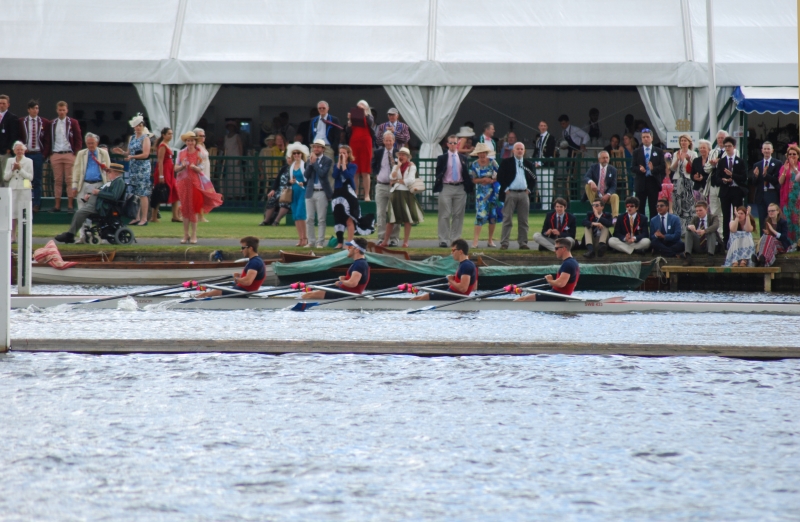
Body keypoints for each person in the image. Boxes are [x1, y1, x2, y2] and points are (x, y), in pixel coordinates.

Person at [54, 163, 126, 243]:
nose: (107, 173)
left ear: (115, 173)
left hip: (101, 207)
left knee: (80, 213)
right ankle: (72, 234)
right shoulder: (112, 182)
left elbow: (114, 196)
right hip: (94, 204)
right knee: (80, 213)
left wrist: (98, 193)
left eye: (109, 172)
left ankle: (70, 235)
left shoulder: (119, 182)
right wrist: (90, 195)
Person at [174, 131, 223, 244]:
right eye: (188, 140)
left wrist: (194, 167)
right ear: (185, 142)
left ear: (195, 142)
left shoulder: (199, 153)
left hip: (195, 183)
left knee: (194, 208)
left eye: (192, 140)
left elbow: (201, 168)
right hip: (183, 183)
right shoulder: (181, 153)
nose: (190, 142)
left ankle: (194, 235)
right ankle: (186, 235)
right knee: (185, 208)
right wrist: (182, 167)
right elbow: (175, 167)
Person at [332, 144, 375, 248]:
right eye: (340, 153)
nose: (342, 155)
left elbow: (348, 175)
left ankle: (350, 243)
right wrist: (339, 164)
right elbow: (334, 175)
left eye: (344, 153)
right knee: (338, 218)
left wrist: (344, 164)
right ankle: (339, 242)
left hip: (348, 193)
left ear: (348, 154)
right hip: (338, 193)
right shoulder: (336, 165)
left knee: (349, 219)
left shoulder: (353, 166)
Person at [434, 134, 473, 248]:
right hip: (446, 186)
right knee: (444, 214)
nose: (452, 145)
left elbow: (466, 174)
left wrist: (467, 186)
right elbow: (438, 173)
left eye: (455, 143)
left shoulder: (463, 158)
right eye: (450, 143)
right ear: (447, 144)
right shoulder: (442, 158)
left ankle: (455, 239)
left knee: (458, 215)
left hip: (460, 187)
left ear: (458, 144)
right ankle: (443, 239)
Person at [113, 114, 152, 226]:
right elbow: (129, 153)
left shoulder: (146, 138)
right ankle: (137, 216)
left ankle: (144, 218)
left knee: (143, 193)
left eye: (140, 125)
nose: (138, 127)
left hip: (142, 168)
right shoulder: (132, 138)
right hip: (134, 167)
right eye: (136, 126)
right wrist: (122, 152)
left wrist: (132, 157)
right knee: (135, 193)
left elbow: (145, 154)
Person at [70, 133, 111, 241]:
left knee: (96, 211)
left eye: (92, 143)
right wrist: (74, 186)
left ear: (97, 143)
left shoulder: (103, 153)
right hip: (84, 184)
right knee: (81, 211)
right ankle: (83, 236)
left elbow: (108, 170)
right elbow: (77, 170)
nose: (90, 145)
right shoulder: (81, 154)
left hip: (98, 184)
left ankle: (98, 235)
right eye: (88, 143)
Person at [43, 101, 82, 213]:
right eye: (60, 110)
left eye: (63, 110)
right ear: (57, 110)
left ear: (67, 110)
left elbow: (78, 139)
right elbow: (48, 139)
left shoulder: (72, 122)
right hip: (56, 153)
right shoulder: (52, 123)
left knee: (69, 180)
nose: (61, 112)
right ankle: (57, 205)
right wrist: (50, 153)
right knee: (58, 180)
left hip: (69, 152)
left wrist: (75, 153)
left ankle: (70, 205)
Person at [195, 237, 266, 297]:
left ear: (250, 248)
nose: (241, 250)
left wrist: (237, 278)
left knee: (215, 291)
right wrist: (240, 277)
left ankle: (195, 300)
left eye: (243, 248)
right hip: (241, 290)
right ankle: (198, 296)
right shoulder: (255, 261)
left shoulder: (255, 262)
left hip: (244, 292)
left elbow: (248, 282)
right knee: (211, 290)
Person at [301, 238, 371, 300]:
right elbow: (353, 280)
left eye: (350, 247)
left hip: (348, 294)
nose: (347, 249)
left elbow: (352, 283)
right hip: (345, 291)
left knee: (308, 295)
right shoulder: (359, 263)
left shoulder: (359, 264)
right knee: (310, 293)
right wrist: (345, 278)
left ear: (357, 250)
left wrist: (341, 282)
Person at [381, 147, 424, 248]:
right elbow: (391, 177)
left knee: (407, 219)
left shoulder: (411, 167)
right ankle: (385, 241)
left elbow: (410, 180)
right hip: (395, 193)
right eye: (400, 154)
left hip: (406, 193)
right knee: (391, 219)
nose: (401, 156)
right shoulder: (396, 166)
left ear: (408, 157)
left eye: (403, 155)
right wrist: (397, 167)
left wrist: (398, 181)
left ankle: (405, 242)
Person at [497, 142, 536, 250]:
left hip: (524, 193)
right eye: (517, 149)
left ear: (524, 151)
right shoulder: (506, 162)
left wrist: (529, 190)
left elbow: (533, 178)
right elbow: (500, 176)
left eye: (521, 149)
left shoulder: (528, 164)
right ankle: (504, 243)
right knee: (507, 219)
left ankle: (523, 242)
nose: (519, 151)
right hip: (511, 193)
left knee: (524, 220)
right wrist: (506, 189)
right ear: (513, 150)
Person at [514, 238, 579, 302]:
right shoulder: (573, 262)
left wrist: (549, 280)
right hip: (559, 296)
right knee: (526, 298)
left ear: (564, 249)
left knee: (522, 299)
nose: (555, 251)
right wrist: (553, 281)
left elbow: (560, 283)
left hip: (557, 297)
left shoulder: (568, 264)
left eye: (556, 248)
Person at [411, 239, 477, 301]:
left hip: (455, 296)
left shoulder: (466, 265)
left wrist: (451, 280)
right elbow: (473, 287)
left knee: (423, 298)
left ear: (460, 252)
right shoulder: (465, 264)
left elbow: (463, 289)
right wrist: (453, 282)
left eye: (453, 250)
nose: (452, 253)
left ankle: (406, 307)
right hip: (452, 293)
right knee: (421, 297)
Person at [713, 136, 747, 248]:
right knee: (725, 216)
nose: (727, 148)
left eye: (729, 146)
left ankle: (737, 237)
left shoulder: (740, 161)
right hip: (725, 192)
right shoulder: (722, 162)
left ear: (734, 147)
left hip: (736, 191)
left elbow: (744, 177)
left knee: (737, 215)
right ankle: (726, 240)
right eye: (725, 146)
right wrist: (723, 180)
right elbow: (717, 178)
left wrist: (733, 176)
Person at [468, 143, 500, 248]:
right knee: (480, 216)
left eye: (484, 153)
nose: (482, 155)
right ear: (477, 154)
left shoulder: (493, 162)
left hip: (493, 192)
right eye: (480, 153)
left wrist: (491, 180)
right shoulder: (474, 164)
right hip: (481, 194)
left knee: (492, 216)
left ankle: (490, 240)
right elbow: (473, 179)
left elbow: (500, 175)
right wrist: (482, 180)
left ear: (486, 153)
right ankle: (475, 241)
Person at [371, 131, 400, 246]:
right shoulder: (378, 152)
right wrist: (376, 174)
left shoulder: (398, 153)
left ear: (393, 141)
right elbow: (373, 165)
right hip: (381, 185)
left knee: (395, 213)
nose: (388, 142)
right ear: (383, 141)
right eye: (386, 140)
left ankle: (394, 238)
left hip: (395, 187)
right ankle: (382, 238)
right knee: (381, 213)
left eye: (390, 140)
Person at [305, 139, 334, 248]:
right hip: (310, 191)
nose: (316, 149)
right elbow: (306, 175)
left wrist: (315, 162)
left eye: (318, 147)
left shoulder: (327, 160)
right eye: (314, 147)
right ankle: (311, 241)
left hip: (322, 192)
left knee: (321, 219)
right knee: (309, 218)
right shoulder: (309, 160)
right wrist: (310, 164)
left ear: (323, 149)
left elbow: (322, 173)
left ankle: (320, 242)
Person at [18, 99, 47, 212]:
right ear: (29, 110)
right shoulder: (22, 121)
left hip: (38, 154)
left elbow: (47, 139)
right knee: (26, 179)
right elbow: (19, 136)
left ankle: (36, 204)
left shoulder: (44, 122)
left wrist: (44, 154)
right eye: (33, 108)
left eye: (37, 108)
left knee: (37, 180)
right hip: (27, 154)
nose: (36, 110)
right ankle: (26, 201)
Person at [3, 141, 34, 239]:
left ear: (24, 151)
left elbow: (30, 177)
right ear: (14, 151)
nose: (19, 151)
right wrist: (13, 170)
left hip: (24, 188)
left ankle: (24, 236)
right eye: (18, 150)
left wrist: (20, 169)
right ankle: (13, 236)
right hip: (13, 188)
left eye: (21, 150)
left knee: (24, 212)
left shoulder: (29, 161)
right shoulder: (10, 161)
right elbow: (5, 177)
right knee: (13, 213)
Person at [632, 128, 666, 218]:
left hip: (653, 181)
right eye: (643, 137)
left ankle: (653, 229)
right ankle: (641, 228)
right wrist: (640, 169)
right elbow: (632, 167)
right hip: (641, 182)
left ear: (652, 138)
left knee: (654, 207)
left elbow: (663, 166)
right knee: (640, 207)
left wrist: (653, 169)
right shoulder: (636, 152)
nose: (645, 139)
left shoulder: (658, 151)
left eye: (647, 137)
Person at [669, 134, 699, 233]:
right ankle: (678, 229)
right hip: (678, 181)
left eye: (685, 140)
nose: (683, 142)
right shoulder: (676, 153)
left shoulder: (693, 153)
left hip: (688, 181)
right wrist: (677, 159)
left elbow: (695, 167)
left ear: (689, 142)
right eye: (681, 140)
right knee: (677, 205)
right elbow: (672, 168)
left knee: (688, 205)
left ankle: (688, 229)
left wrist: (689, 160)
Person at [751, 141, 782, 234]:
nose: (766, 151)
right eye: (765, 149)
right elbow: (754, 183)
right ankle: (762, 241)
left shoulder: (777, 163)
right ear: (762, 150)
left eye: (768, 149)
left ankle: (774, 240)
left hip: (772, 194)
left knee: (773, 219)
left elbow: (777, 180)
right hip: (761, 195)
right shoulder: (757, 165)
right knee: (762, 219)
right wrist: (755, 176)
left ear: (772, 150)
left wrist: (766, 175)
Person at [704, 130, 734, 224]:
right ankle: (717, 233)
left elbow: (731, 167)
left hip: (725, 185)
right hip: (713, 184)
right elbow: (706, 168)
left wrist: (718, 163)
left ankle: (727, 233)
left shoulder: (733, 151)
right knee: (714, 210)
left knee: (726, 210)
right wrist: (713, 165)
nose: (720, 140)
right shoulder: (713, 152)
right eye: (719, 138)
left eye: (723, 138)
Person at [346, 100, 374, 201]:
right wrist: (349, 120)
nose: (359, 110)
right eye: (358, 108)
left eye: (361, 108)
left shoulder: (369, 117)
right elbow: (348, 131)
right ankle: (355, 193)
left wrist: (365, 114)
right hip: (354, 143)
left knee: (365, 171)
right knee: (355, 170)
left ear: (366, 108)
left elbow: (371, 123)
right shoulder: (353, 119)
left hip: (365, 143)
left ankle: (367, 195)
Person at [260, 150, 293, 228]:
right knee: (272, 198)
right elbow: (277, 180)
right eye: (288, 158)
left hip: (290, 190)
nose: (289, 160)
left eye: (291, 158)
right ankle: (266, 220)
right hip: (280, 189)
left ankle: (276, 221)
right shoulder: (284, 168)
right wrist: (273, 190)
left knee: (285, 201)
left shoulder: (296, 168)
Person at [583, 151, 619, 219]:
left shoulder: (613, 170)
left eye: (607, 158)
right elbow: (585, 177)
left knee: (615, 196)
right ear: (599, 159)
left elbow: (613, 186)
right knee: (587, 185)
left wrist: (608, 194)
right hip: (596, 194)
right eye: (603, 158)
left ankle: (615, 218)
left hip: (606, 195)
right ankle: (595, 207)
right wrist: (591, 182)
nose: (605, 159)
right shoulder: (593, 167)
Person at [285, 142, 309, 246]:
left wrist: (303, 183)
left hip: (302, 190)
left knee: (301, 214)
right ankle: (300, 238)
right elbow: (288, 180)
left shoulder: (305, 165)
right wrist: (290, 182)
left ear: (302, 154)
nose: (296, 155)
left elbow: (309, 179)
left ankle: (305, 238)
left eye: (298, 153)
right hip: (294, 191)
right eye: (294, 153)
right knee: (295, 215)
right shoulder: (291, 166)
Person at [151, 127, 175, 223]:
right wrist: (161, 175)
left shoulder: (167, 145)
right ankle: (154, 216)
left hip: (169, 170)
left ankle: (175, 215)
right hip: (164, 170)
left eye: (171, 134)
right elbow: (160, 161)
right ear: (163, 135)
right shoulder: (162, 146)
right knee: (159, 192)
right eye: (169, 134)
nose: (171, 135)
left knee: (174, 190)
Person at [779, 144, 800, 245]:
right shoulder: (784, 167)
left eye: (794, 154)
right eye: (790, 154)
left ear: (798, 155)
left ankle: (798, 242)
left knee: (797, 220)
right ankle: (789, 243)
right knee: (788, 220)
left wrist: (795, 169)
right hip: (787, 198)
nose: (792, 156)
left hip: (798, 197)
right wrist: (785, 171)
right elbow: (780, 182)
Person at [533, 121, 556, 208]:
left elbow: (550, 152)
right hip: (538, 166)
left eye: (544, 126)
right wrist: (534, 161)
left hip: (547, 166)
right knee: (540, 187)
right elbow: (536, 151)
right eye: (541, 126)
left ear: (547, 127)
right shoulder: (538, 138)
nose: (543, 127)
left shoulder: (551, 138)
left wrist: (540, 162)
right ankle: (543, 206)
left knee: (547, 187)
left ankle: (547, 208)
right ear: (538, 127)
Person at [0, 95, 20, 187]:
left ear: (8, 105)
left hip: (5, 153)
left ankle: (6, 199)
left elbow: (14, 135)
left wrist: (9, 148)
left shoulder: (12, 117)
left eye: (3, 103)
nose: (1, 105)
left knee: (5, 177)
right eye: (0, 103)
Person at [222, 121, 244, 199]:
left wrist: (240, 158)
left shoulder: (237, 136)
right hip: (228, 159)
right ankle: (229, 195)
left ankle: (239, 195)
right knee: (229, 176)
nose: (230, 128)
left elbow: (240, 147)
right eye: (229, 126)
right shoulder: (225, 137)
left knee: (237, 176)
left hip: (236, 158)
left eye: (232, 126)